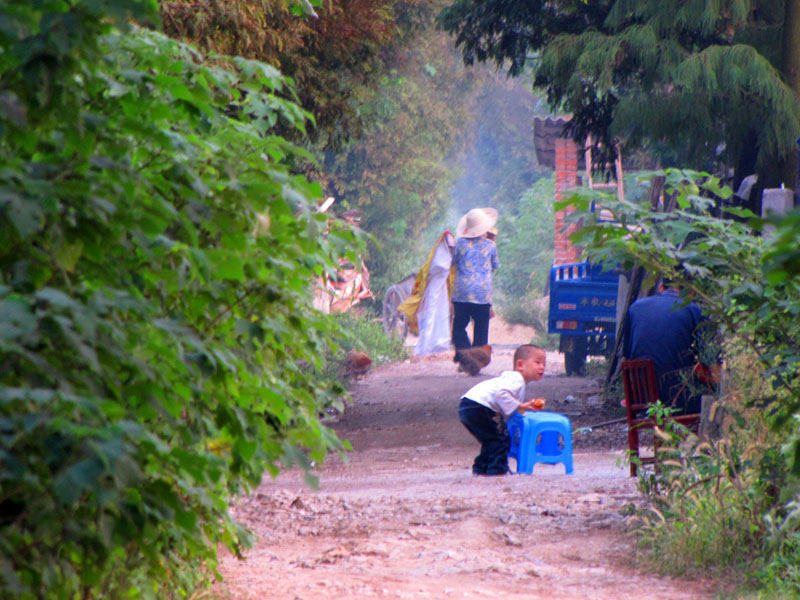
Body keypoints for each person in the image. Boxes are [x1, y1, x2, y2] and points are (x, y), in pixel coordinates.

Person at [623, 279, 718, 414]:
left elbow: (626, 356)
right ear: (690, 293)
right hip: (680, 399)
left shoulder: (635, 308)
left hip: (643, 399)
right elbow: (709, 359)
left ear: (661, 287)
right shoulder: (693, 310)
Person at [458, 344, 547, 476]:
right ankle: (497, 470)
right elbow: (501, 394)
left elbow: (505, 405)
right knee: (499, 440)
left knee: (492, 439)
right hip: (477, 406)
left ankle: (481, 468)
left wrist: (519, 408)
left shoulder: (514, 380)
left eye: (544, 363)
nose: (542, 367)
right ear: (520, 364)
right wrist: (520, 405)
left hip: (469, 406)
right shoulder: (517, 380)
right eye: (537, 362)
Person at [449, 207, 499, 350]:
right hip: (483, 294)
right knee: (481, 332)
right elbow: (494, 265)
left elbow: (452, 261)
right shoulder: (491, 245)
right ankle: (476, 361)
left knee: (458, 329)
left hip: (462, 293)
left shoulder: (460, 243)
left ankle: (465, 357)